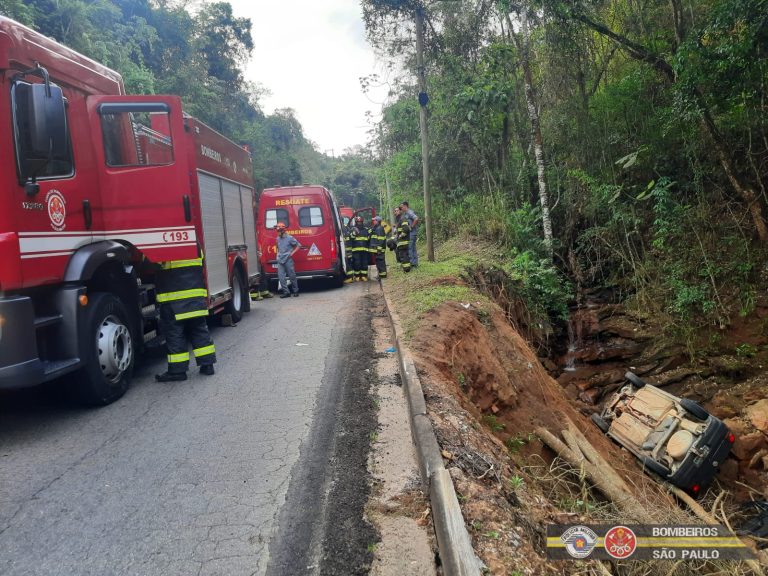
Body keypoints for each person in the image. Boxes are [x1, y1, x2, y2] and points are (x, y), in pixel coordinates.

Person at [154, 245, 216, 382]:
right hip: (195, 296)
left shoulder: (164, 242)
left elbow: (151, 263)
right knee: (199, 330)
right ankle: (208, 365)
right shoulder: (194, 243)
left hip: (174, 299)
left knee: (175, 333)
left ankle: (177, 371)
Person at [276, 222, 300, 298]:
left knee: (292, 276)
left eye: (279, 231)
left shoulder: (290, 238)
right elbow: (278, 248)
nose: (278, 232)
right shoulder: (278, 238)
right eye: (278, 231)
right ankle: (286, 292)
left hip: (288, 260)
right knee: (281, 277)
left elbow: (298, 245)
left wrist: (291, 253)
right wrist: (277, 255)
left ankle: (295, 291)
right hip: (280, 260)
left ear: (283, 231)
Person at [349, 215, 371, 281]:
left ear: (362, 222)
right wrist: (354, 233)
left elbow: (370, 236)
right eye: (358, 222)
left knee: (364, 263)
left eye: (360, 222)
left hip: (364, 250)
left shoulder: (366, 229)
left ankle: (364, 276)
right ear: (356, 222)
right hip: (356, 250)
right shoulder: (353, 229)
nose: (359, 223)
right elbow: (351, 238)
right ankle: (357, 276)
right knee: (357, 263)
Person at [399, 201, 420, 267]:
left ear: (405, 206)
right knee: (413, 248)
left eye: (402, 207)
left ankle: (412, 263)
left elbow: (416, 218)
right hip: (411, 234)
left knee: (410, 248)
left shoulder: (409, 212)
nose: (401, 208)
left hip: (411, 233)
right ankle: (415, 263)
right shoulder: (405, 213)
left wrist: (411, 226)